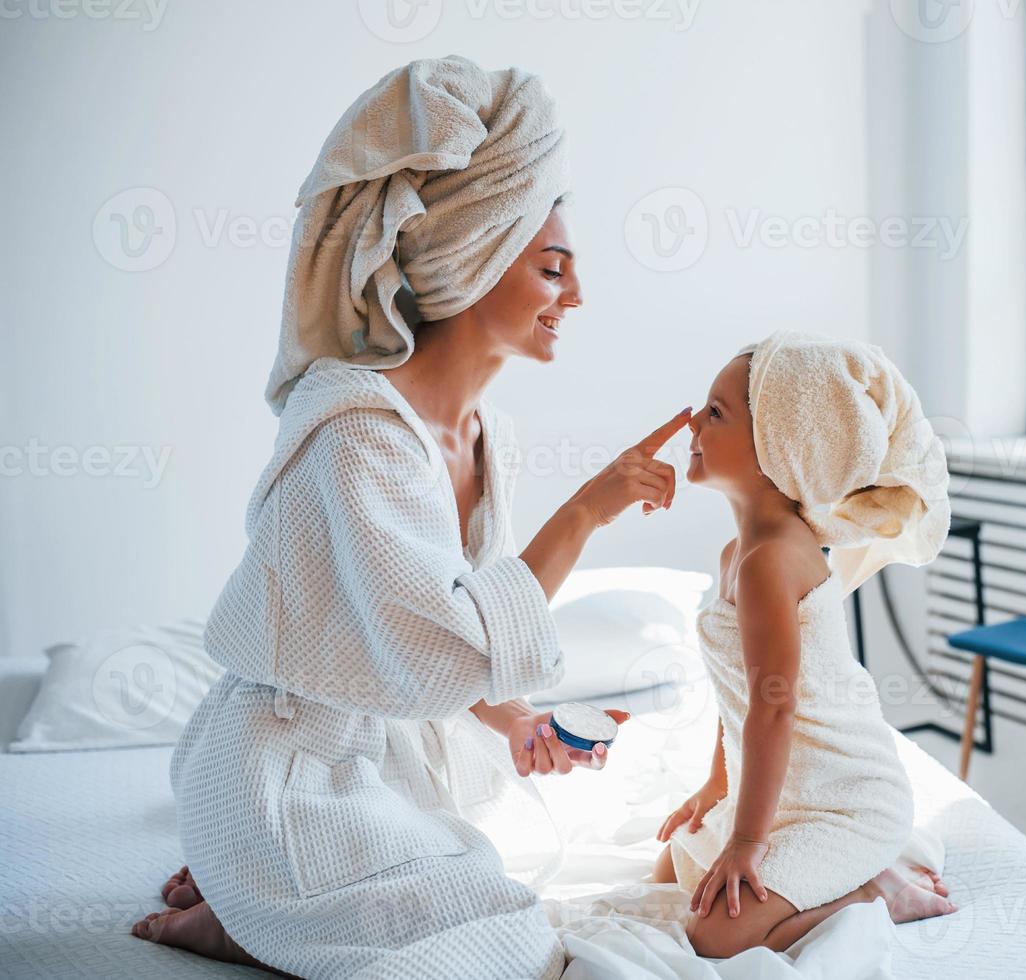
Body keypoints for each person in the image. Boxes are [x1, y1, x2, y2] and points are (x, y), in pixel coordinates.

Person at [130, 56, 686, 979]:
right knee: (499, 930)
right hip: (287, 767)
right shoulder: (356, 431)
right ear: (472, 264)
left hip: (378, 757)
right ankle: (251, 905)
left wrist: (512, 724)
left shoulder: (481, 432)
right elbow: (444, 642)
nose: (576, 298)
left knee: (477, 867)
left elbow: (418, 637)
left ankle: (256, 909)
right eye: (553, 269)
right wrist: (586, 510)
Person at [650, 331, 958, 957]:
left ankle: (877, 891)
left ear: (777, 446)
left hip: (841, 799)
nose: (693, 424)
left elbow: (773, 708)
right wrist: (717, 788)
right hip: (785, 783)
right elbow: (740, 692)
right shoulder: (738, 552)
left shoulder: (770, 561)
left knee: (715, 935)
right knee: (670, 868)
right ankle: (821, 866)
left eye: (715, 413)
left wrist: (744, 843)